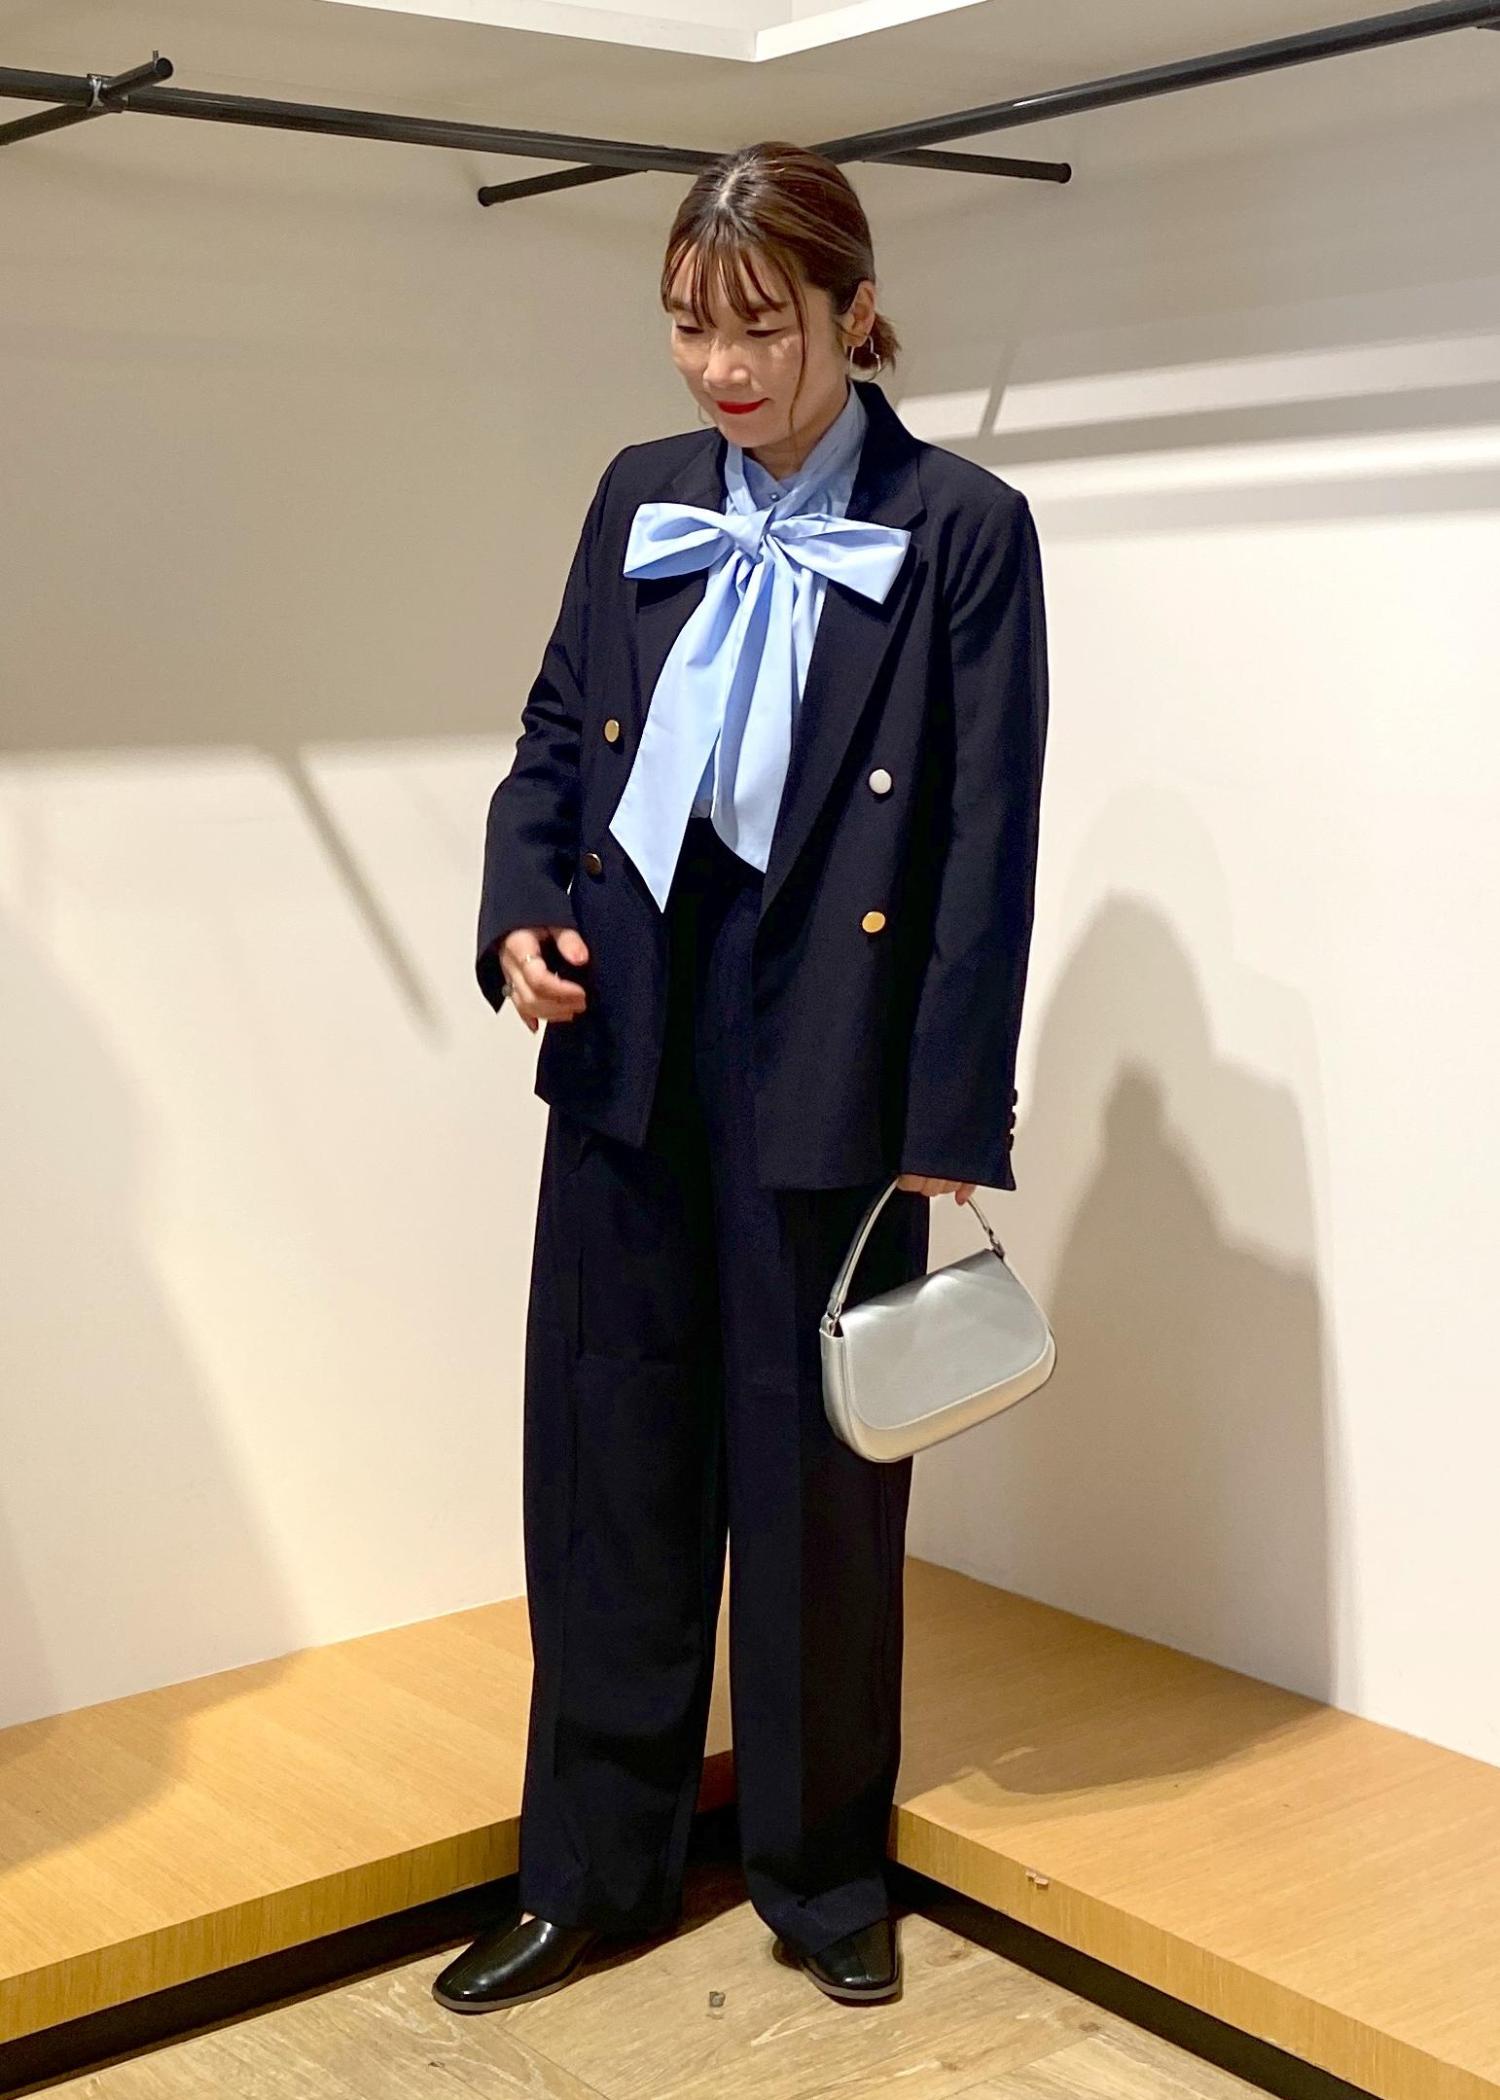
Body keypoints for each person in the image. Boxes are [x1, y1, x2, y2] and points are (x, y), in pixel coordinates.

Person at [433, 139, 1049, 2015]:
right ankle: (587, 1869)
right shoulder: (639, 493)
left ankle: (819, 1867)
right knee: (606, 1461)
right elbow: (557, 734)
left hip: (834, 1053)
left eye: (762, 327)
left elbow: (981, 845)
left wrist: (945, 1124)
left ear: (855, 314)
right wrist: (522, 912)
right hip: (629, 1038)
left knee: (817, 1494)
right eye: (691, 327)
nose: (721, 368)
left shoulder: (962, 527)